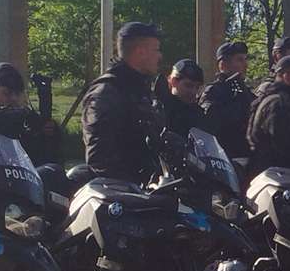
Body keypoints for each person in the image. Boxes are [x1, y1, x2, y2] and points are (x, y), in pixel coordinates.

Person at [81, 21, 164, 184]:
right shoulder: (107, 93)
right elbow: (100, 158)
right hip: (123, 193)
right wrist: (134, 188)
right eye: (156, 50)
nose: (159, 56)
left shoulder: (140, 91)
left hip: (149, 189)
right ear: (140, 52)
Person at [246, 52, 290, 175]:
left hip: (286, 174)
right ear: (286, 76)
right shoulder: (277, 103)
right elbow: (284, 145)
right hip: (275, 176)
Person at [0, 62, 55, 164]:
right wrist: (22, 114)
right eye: (7, 93)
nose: (14, 98)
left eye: (17, 93)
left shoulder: (25, 117)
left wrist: (44, 131)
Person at [202, 40, 253, 163]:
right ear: (223, 65)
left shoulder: (245, 92)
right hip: (225, 160)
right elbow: (210, 125)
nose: (245, 65)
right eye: (239, 60)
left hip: (248, 158)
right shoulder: (213, 92)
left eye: (245, 60)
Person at [161, 58, 208, 137]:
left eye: (197, 87)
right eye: (188, 85)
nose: (193, 91)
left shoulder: (198, 113)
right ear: (174, 81)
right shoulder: (161, 109)